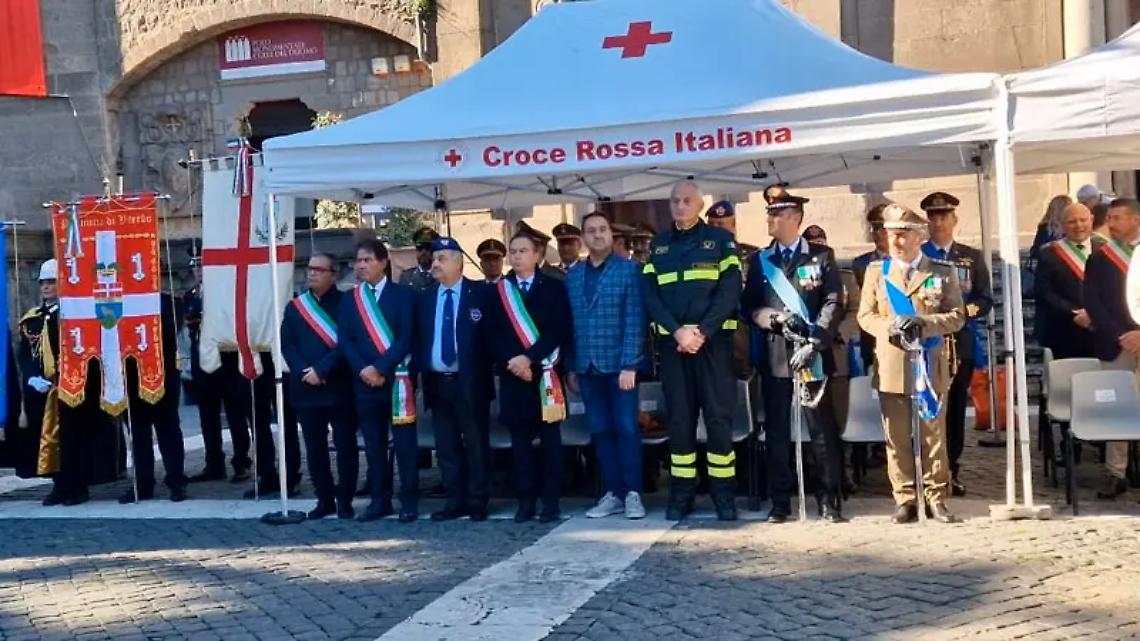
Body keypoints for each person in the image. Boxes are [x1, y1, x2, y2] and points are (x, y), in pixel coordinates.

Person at [742, 186, 845, 523]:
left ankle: (828, 500)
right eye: (769, 213)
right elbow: (748, 307)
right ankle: (780, 501)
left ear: (795, 218)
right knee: (777, 432)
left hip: (813, 353)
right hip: (776, 356)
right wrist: (771, 318)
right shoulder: (760, 261)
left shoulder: (821, 256)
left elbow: (834, 301)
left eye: (776, 213)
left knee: (821, 431)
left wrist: (816, 341)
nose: (769, 219)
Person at [857, 204, 964, 524]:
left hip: (929, 363)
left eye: (903, 234)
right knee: (897, 437)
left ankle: (936, 497)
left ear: (920, 237)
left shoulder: (941, 271)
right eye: (891, 234)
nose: (896, 241)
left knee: (933, 435)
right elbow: (865, 316)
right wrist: (890, 326)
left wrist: (923, 323)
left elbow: (957, 316)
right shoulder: (877, 272)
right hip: (892, 362)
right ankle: (904, 497)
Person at [643, 180, 742, 521]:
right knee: (680, 421)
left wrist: (702, 332)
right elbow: (651, 296)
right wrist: (678, 331)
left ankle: (723, 496)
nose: (680, 206)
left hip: (712, 346)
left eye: (687, 200)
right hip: (675, 347)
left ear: (700, 205)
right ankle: (681, 495)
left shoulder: (721, 241)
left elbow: (729, 292)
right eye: (675, 201)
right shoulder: (658, 246)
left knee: (718, 421)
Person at [485, 232, 573, 522]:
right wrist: (513, 361)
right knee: (520, 444)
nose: (517, 256)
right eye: (513, 251)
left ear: (537, 255)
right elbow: (492, 334)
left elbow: (559, 329)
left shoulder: (554, 287)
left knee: (550, 444)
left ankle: (551, 502)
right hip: (514, 376)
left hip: (545, 375)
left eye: (523, 250)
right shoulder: (499, 291)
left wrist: (529, 357)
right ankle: (525, 501)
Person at [565, 212, 647, 520]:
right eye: (591, 231)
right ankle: (614, 493)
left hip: (620, 367)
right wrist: (571, 366)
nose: (597, 235)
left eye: (602, 230)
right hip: (587, 366)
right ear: (583, 238)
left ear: (612, 235)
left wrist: (631, 364)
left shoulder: (629, 270)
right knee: (600, 430)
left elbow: (635, 320)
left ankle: (633, 493)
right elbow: (570, 324)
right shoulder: (573, 276)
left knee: (626, 428)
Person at [415, 237, 495, 522]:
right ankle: (454, 499)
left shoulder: (481, 294)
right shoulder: (425, 298)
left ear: (458, 262)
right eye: (434, 259)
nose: (435, 263)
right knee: (446, 445)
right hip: (438, 382)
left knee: (475, 443)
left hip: (470, 382)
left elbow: (492, 337)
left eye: (442, 259)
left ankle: (478, 500)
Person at [920, 191, 993, 497]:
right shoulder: (919, 255)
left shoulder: (970, 257)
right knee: (927, 407)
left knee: (955, 409)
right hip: (927, 341)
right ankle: (927, 470)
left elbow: (985, 298)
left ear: (954, 220)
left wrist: (965, 311)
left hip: (960, 341)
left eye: (944, 216)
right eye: (933, 217)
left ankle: (952, 469)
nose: (938, 222)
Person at [340, 239, 418, 522]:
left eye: (367, 260)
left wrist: (380, 368)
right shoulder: (350, 299)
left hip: (398, 382)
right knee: (374, 446)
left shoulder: (404, 296)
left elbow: (407, 337)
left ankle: (409, 501)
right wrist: (364, 369)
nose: (361, 265)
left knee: (405, 445)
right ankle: (379, 500)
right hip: (364, 384)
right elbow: (345, 340)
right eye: (358, 261)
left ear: (383, 262)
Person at [282, 252, 358, 520]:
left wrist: (322, 370)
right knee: (314, 449)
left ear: (333, 275)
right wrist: (305, 371)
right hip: (306, 389)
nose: (311, 273)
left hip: (338, 387)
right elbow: (288, 344)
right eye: (310, 268)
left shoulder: (347, 304)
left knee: (346, 447)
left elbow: (347, 343)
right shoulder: (295, 307)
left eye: (318, 269)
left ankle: (345, 499)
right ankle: (324, 498)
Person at [1084, 197, 1140, 500]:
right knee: (1118, 407)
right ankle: (1116, 472)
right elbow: (1093, 303)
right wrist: (1122, 335)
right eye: (1110, 218)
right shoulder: (1099, 258)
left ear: (1135, 220)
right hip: (1116, 343)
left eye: (1118, 218)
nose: (1111, 223)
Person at [183, 252, 252, 483]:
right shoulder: (191, 295)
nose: (199, 271)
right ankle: (214, 463)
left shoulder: (226, 293)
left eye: (202, 265)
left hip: (227, 361)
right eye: (195, 267)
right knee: (207, 416)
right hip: (202, 362)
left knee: (235, 414)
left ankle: (241, 462)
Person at [121, 292, 188, 503]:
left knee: (168, 430)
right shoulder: (123, 300)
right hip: (132, 375)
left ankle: (176, 482)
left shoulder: (170, 302)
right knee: (138, 433)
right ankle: (143, 484)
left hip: (163, 373)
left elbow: (169, 329)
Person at [1035, 203, 1101, 359]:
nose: (1078, 225)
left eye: (1083, 220)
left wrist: (1095, 314)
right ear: (1063, 225)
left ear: (1092, 220)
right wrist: (1074, 313)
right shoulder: (1049, 253)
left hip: (1101, 331)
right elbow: (1045, 292)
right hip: (1065, 331)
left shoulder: (1106, 249)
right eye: (1072, 221)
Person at [13, 260, 60, 483]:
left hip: (62, 387)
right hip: (38, 388)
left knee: (63, 440)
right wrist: (32, 377)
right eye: (42, 282)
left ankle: (68, 484)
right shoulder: (32, 318)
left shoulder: (69, 316)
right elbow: (24, 353)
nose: (45, 287)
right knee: (39, 437)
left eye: (51, 281)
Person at [399, 226, 440, 292]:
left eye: (427, 247)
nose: (423, 252)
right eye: (419, 247)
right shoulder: (406, 277)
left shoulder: (444, 276)